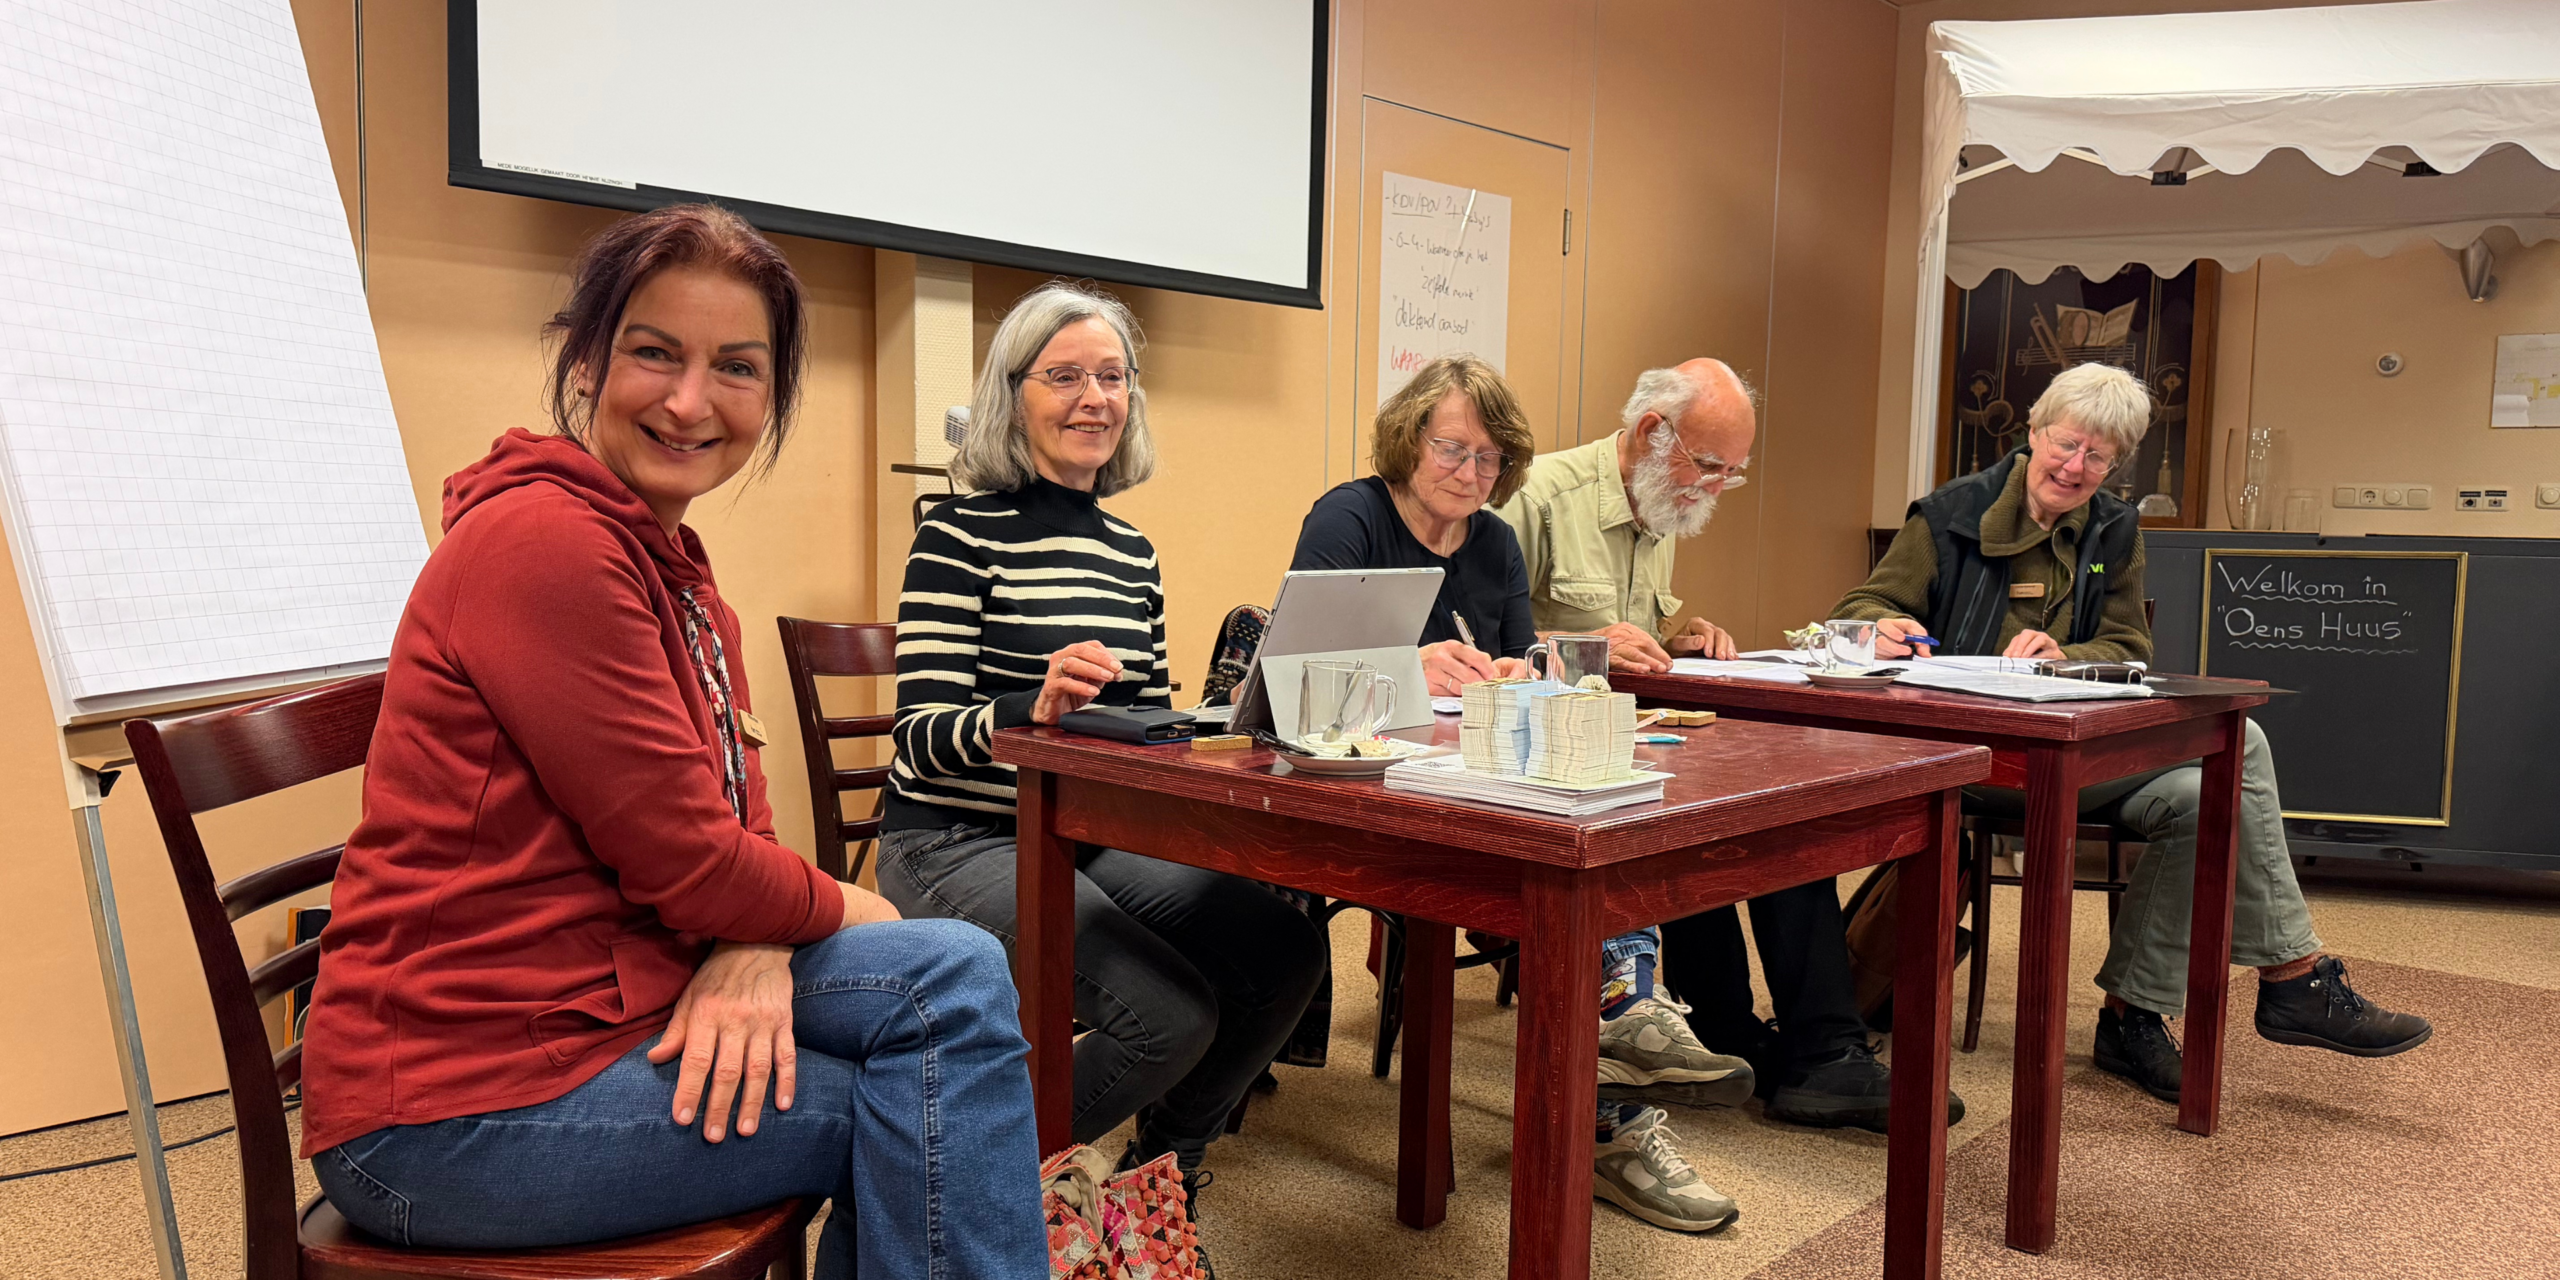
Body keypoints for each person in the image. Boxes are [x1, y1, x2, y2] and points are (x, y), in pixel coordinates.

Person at [297, 205, 1042, 1279]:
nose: (691, 401)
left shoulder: (675, 574)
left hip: (607, 1002)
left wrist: (753, 940)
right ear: (586, 361)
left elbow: (737, 825)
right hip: (446, 1110)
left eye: (736, 367)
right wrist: (851, 906)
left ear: (771, 396)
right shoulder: (546, 544)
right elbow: (691, 865)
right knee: (926, 1105)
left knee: (954, 981)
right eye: (655, 353)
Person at [1831, 361, 2432, 1103]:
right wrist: (1881, 626)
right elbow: (1856, 611)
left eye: (2098, 457)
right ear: (2033, 431)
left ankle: (2131, 1016)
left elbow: (2127, 648)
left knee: (2202, 797)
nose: (2075, 467)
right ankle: (2292, 977)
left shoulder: (2115, 529)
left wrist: (2064, 656)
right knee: (2240, 744)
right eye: (2066, 444)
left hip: (2079, 750)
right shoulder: (1949, 514)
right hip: (1974, 756)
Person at [875, 282, 1327, 1245]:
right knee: (1169, 1017)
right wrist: (1028, 707)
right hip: (952, 839)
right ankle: (966, 1172)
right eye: (1065, 376)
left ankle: (1162, 1174)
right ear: (1014, 395)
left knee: (1284, 951)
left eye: (1113, 378)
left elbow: (1142, 732)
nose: (1095, 398)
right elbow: (918, 735)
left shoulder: (1132, 553)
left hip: (1080, 832)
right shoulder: (956, 535)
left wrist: (1237, 728)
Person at [1291, 353, 1749, 1236]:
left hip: (1478, 781)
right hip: (1371, 793)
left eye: (1490, 458)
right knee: (1562, 888)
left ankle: (1623, 1047)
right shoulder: (1350, 518)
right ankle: (1623, 1063)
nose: (1470, 473)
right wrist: (1407, 666)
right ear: (1410, 439)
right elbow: (1300, 681)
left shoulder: (1495, 542)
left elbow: (1516, 667)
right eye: (1452, 450)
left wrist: (1516, 672)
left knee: (1602, 833)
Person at [1494, 360, 1964, 1135]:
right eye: (1710, 466)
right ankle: (1777, 1040)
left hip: (1638, 738)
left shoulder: (1658, 502)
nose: (1714, 489)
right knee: (1707, 815)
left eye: (1730, 474)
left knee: (1779, 803)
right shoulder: (1538, 496)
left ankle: (1806, 1046)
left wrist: (1678, 637)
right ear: (1653, 432)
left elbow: (1637, 635)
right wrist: (1577, 645)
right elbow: (1475, 643)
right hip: (1549, 759)